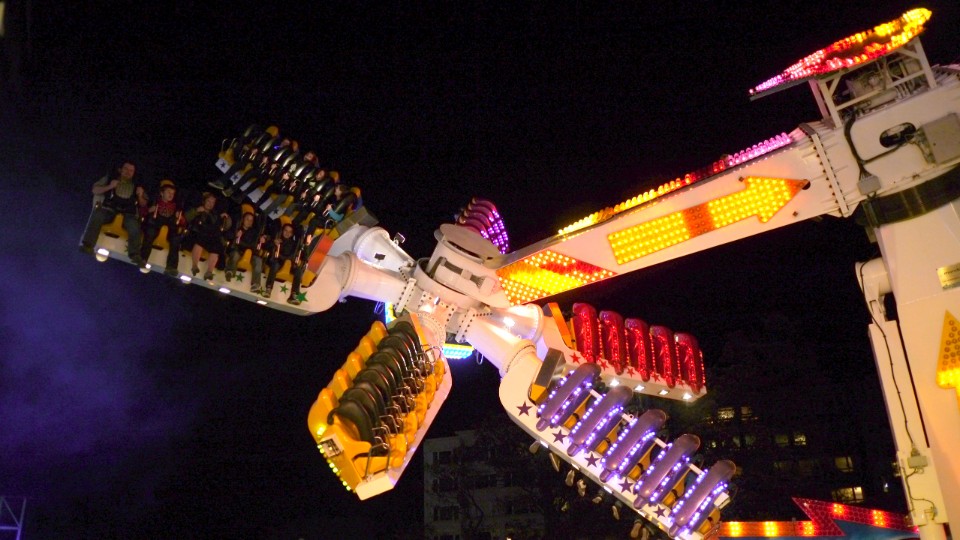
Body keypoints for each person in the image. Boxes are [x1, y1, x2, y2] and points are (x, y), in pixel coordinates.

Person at [79, 160, 144, 265]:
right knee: (98, 214)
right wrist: (109, 186)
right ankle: (87, 245)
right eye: (126, 169)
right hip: (110, 209)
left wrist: (140, 195)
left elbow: (143, 204)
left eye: (131, 170)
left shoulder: (138, 185)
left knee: (135, 226)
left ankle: (134, 254)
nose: (128, 172)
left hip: (128, 213)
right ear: (121, 169)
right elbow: (95, 190)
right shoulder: (110, 178)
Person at [140, 179, 186, 276]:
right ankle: (143, 259)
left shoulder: (176, 207)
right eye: (168, 192)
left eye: (172, 193)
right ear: (162, 193)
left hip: (170, 229)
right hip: (155, 225)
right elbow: (142, 212)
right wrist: (149, 210)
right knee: (150, 233)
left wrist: (180, 218)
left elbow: (183, 222)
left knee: (176, 239)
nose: (171, 195)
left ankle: (171, 267)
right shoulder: (154, 202)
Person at [184, 192, 232, 281]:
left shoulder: (215, 215)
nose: (210, 204)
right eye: (209, 201)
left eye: (213, 202)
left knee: (217, 246)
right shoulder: (197, 209)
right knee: (200, 240)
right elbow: (187, 217)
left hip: (210, 237)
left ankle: (209, 272)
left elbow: (222, 227)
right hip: (196, 233)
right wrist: (196, 211)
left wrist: (225, 218)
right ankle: (194, 266)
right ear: (204, 201)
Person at [263, 222, 304, 303]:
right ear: (282, 231)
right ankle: (268, 288)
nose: (287, 233)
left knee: (298, 270)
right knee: (275, 265)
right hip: (277, 261)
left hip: (288, 262)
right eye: (286, 230)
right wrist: (273, 243)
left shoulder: (294, 244)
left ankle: (294, 294)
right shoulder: (277, 239)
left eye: (290, 232)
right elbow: (265, 246)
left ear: (292, 234)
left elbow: (294, 255)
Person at [224, 210, 265, 292]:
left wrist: (263, 240)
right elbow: (227, 235)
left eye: (251, 220)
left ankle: (255, 283)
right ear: (243, 219)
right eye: (247, 219)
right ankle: (230, 272)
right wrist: (235, 235)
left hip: (250, 252)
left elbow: (259, 242)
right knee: (235, 255)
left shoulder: (254, 232)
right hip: (238, 250)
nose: (249, 222)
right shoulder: (237, 228)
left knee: (258, 261)